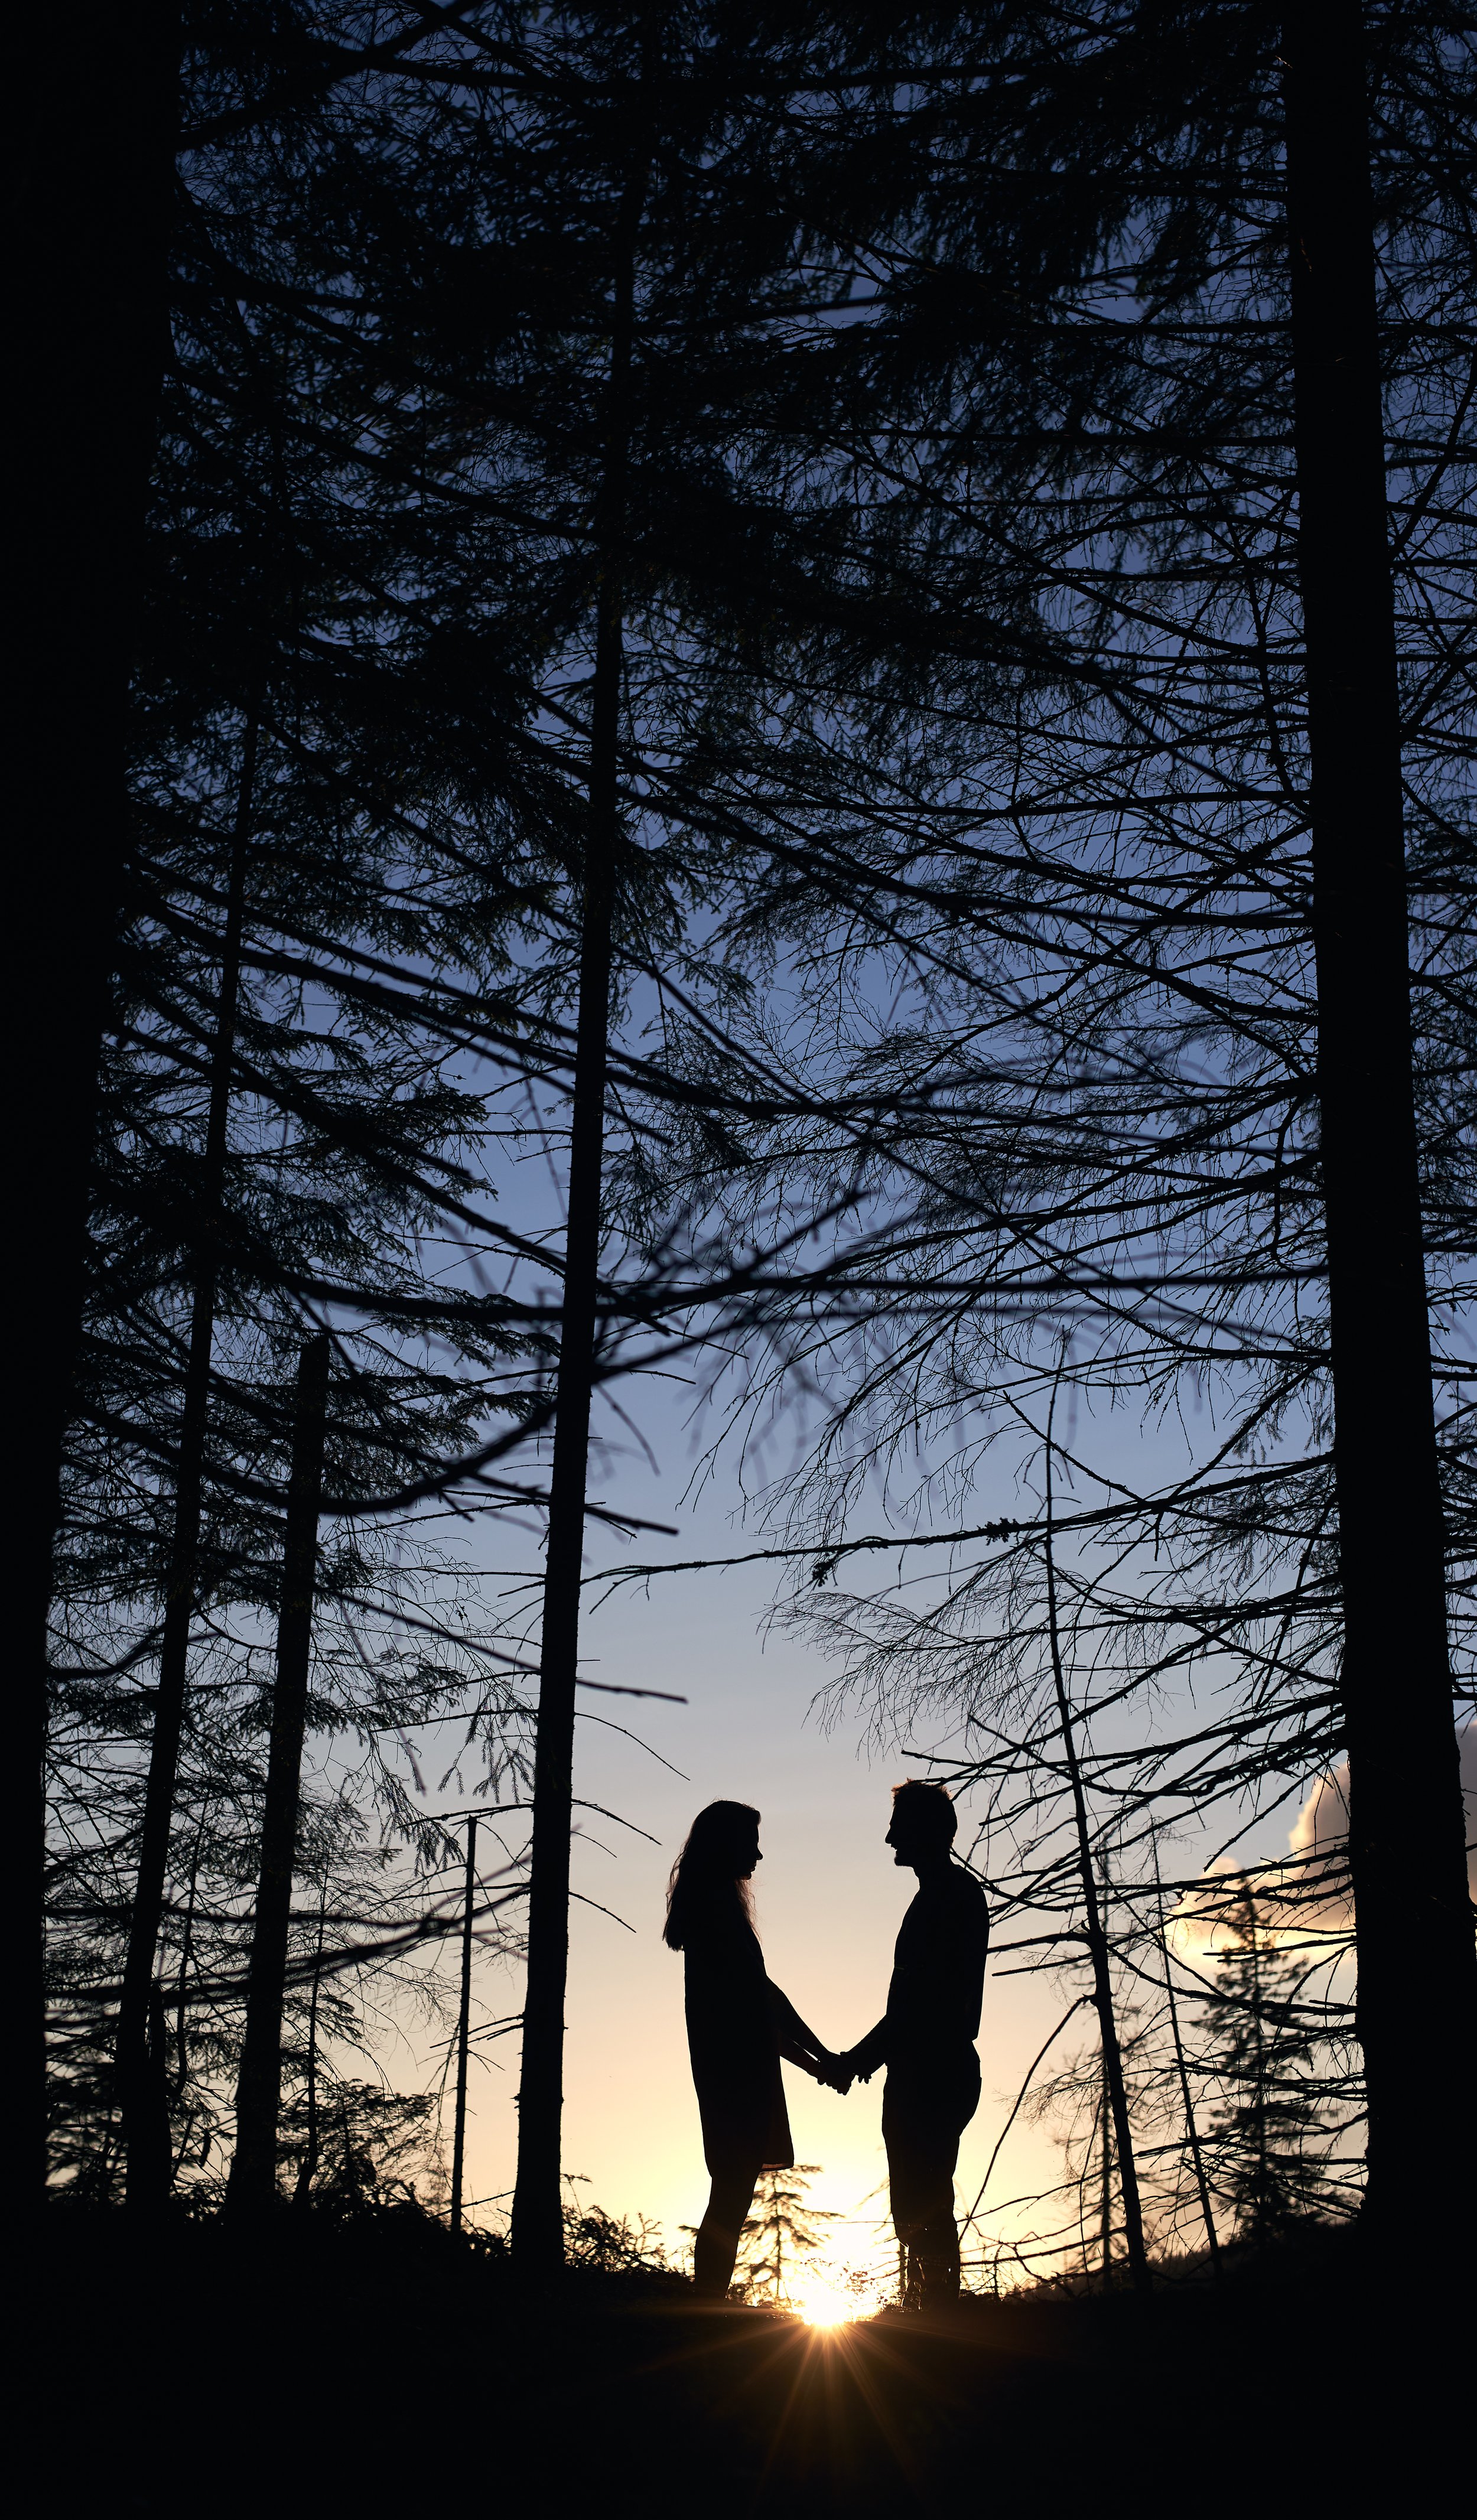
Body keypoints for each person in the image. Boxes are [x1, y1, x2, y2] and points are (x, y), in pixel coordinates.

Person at [665, 1800, 845, 2297]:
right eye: (751, 1843)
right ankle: (706, 2307)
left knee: (731, 2191)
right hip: (735, 2074)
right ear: (727, 1846)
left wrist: (818, 2062)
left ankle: (708, 2305)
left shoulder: (714, 1910)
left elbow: (759, 2006)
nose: (760, 1855)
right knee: (730, 2192)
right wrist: (822, 2059)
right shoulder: (716, 1913)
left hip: (736, 2068)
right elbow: (762, 2001)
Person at [841, 1781, 990, 2309]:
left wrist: (857, 2060)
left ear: (923, 1831)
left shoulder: (949, 1900)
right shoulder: (941, 1898)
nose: (887, 1838)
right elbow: (912, 2010)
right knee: (917, 2202)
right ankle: (933, 2306)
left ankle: (939, 2310)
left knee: (923, 2200)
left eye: (897, 1826)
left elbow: (920, 2007)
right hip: (922, 2070)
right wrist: (865, 2059)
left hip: (934, 2071)